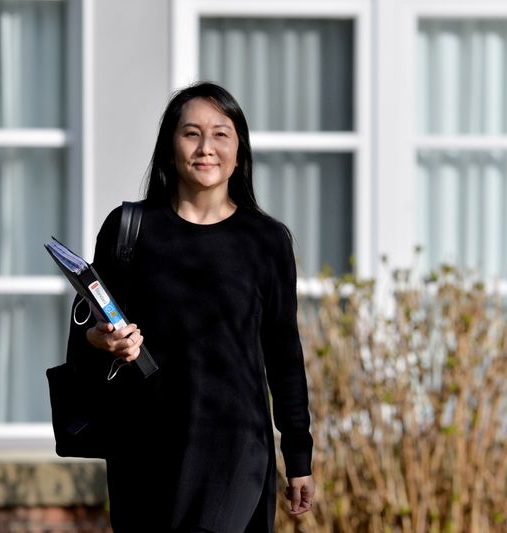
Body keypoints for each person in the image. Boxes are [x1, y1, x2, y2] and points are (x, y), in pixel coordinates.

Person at [65, 82, 314, 532]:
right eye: (191, 133)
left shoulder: (266, 241)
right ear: (169, 147)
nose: (206, 148)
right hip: (146, 449)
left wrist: (298, 455)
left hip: (237, 449)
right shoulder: (127, 231)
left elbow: (284, 355)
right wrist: (103, 341)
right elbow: (83, 335)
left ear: (240, 151)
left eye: (221, 134)